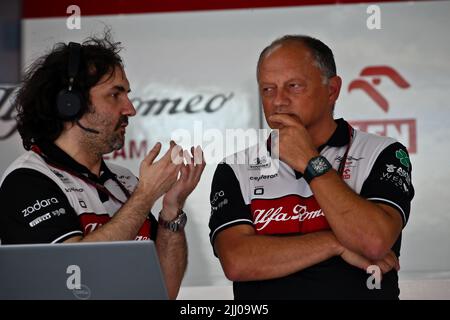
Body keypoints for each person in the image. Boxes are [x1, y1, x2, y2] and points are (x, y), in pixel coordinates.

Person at [0, 34, 205, 299]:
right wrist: (145, 197)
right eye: (115, 95)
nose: (130, 109)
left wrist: (170, 210)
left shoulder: (124, 180)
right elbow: (74, 273)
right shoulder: (27, 180)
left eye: (127, 95)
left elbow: (166, 288)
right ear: (70, 104)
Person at [208, 35, 414, 299]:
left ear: (332, 90)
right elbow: (237, 261)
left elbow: (373, 241)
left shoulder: (382, 153)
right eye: (268, 89)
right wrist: (335, 243)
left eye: (293, 86)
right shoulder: (235, 168)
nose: (278, 100)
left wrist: (309, 161)